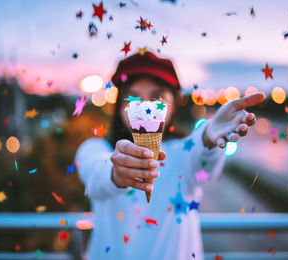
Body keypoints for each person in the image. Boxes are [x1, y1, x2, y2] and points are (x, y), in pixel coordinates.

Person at [75, 51, 265, 260]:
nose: (146, 108)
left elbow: (203, 161)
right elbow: (95, 174)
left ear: (174, 103)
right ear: (120, 105)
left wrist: (208, 138)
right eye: (133, 98)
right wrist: (115, 173)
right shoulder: (94, 148)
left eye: (157, 98)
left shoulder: (184, 150)